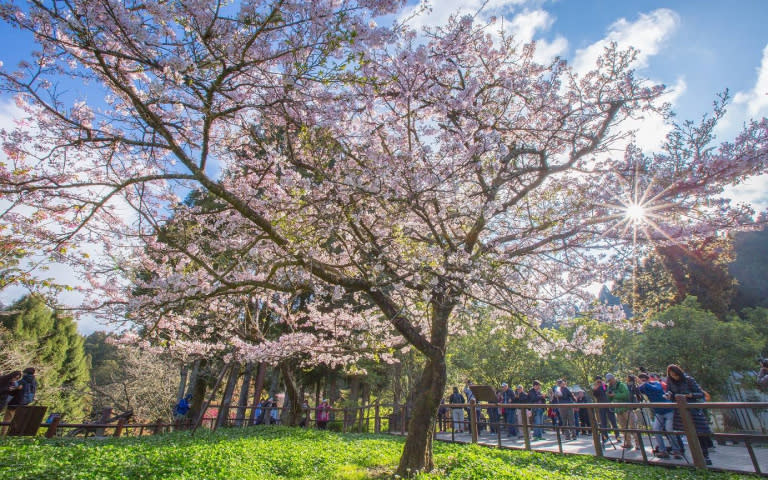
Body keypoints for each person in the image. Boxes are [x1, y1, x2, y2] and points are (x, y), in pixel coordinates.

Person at [666, 364, 714, 465]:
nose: (674, 377)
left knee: (699, 433)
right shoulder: (670, 381)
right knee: (687, 433)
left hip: (693, 409)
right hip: (680, 411)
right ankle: (694, 456)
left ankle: (705, 456)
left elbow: (700, 393)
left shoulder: (688, 380)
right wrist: (668, 395)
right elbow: (669, 392)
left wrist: (690, 395)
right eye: (672, 375)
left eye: (676, 375)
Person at [636, 373, 677, 458]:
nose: (642, 383)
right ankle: (663, 451)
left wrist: (644, 384)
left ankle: (676, 450)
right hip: (658, 412)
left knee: (669, 430)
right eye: (641, 381)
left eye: (644, 380)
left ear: (647, 380)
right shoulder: (645, 387)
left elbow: (656, 389)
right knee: (656, 429)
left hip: (668, 409)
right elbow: (636, 391)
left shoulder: (656, 384)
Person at [606, 373, 640, 449]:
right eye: (608, 381)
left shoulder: (621, 385)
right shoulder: (610, 387)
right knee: (623, 428)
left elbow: (626, 395)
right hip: (618, 410)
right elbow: (609, 399)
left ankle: (638, 444)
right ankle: (628, 443)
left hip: (626, 409)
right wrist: (608, 394)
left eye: (610, 380)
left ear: (613, 378)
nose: (609, 382)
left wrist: (615, 395)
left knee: (633, 426)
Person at [593, 375, 619, 443]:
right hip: (601, 406)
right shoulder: (595, 388)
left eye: (600, 380)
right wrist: (597, 386)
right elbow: (595, 394)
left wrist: (603, 384)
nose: (599, 382)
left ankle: (617, 436)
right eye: (597, 380)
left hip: (608, 404)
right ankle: (605, 437)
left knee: (613, 421)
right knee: (603, 422)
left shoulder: (605, 386)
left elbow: (608, 391)